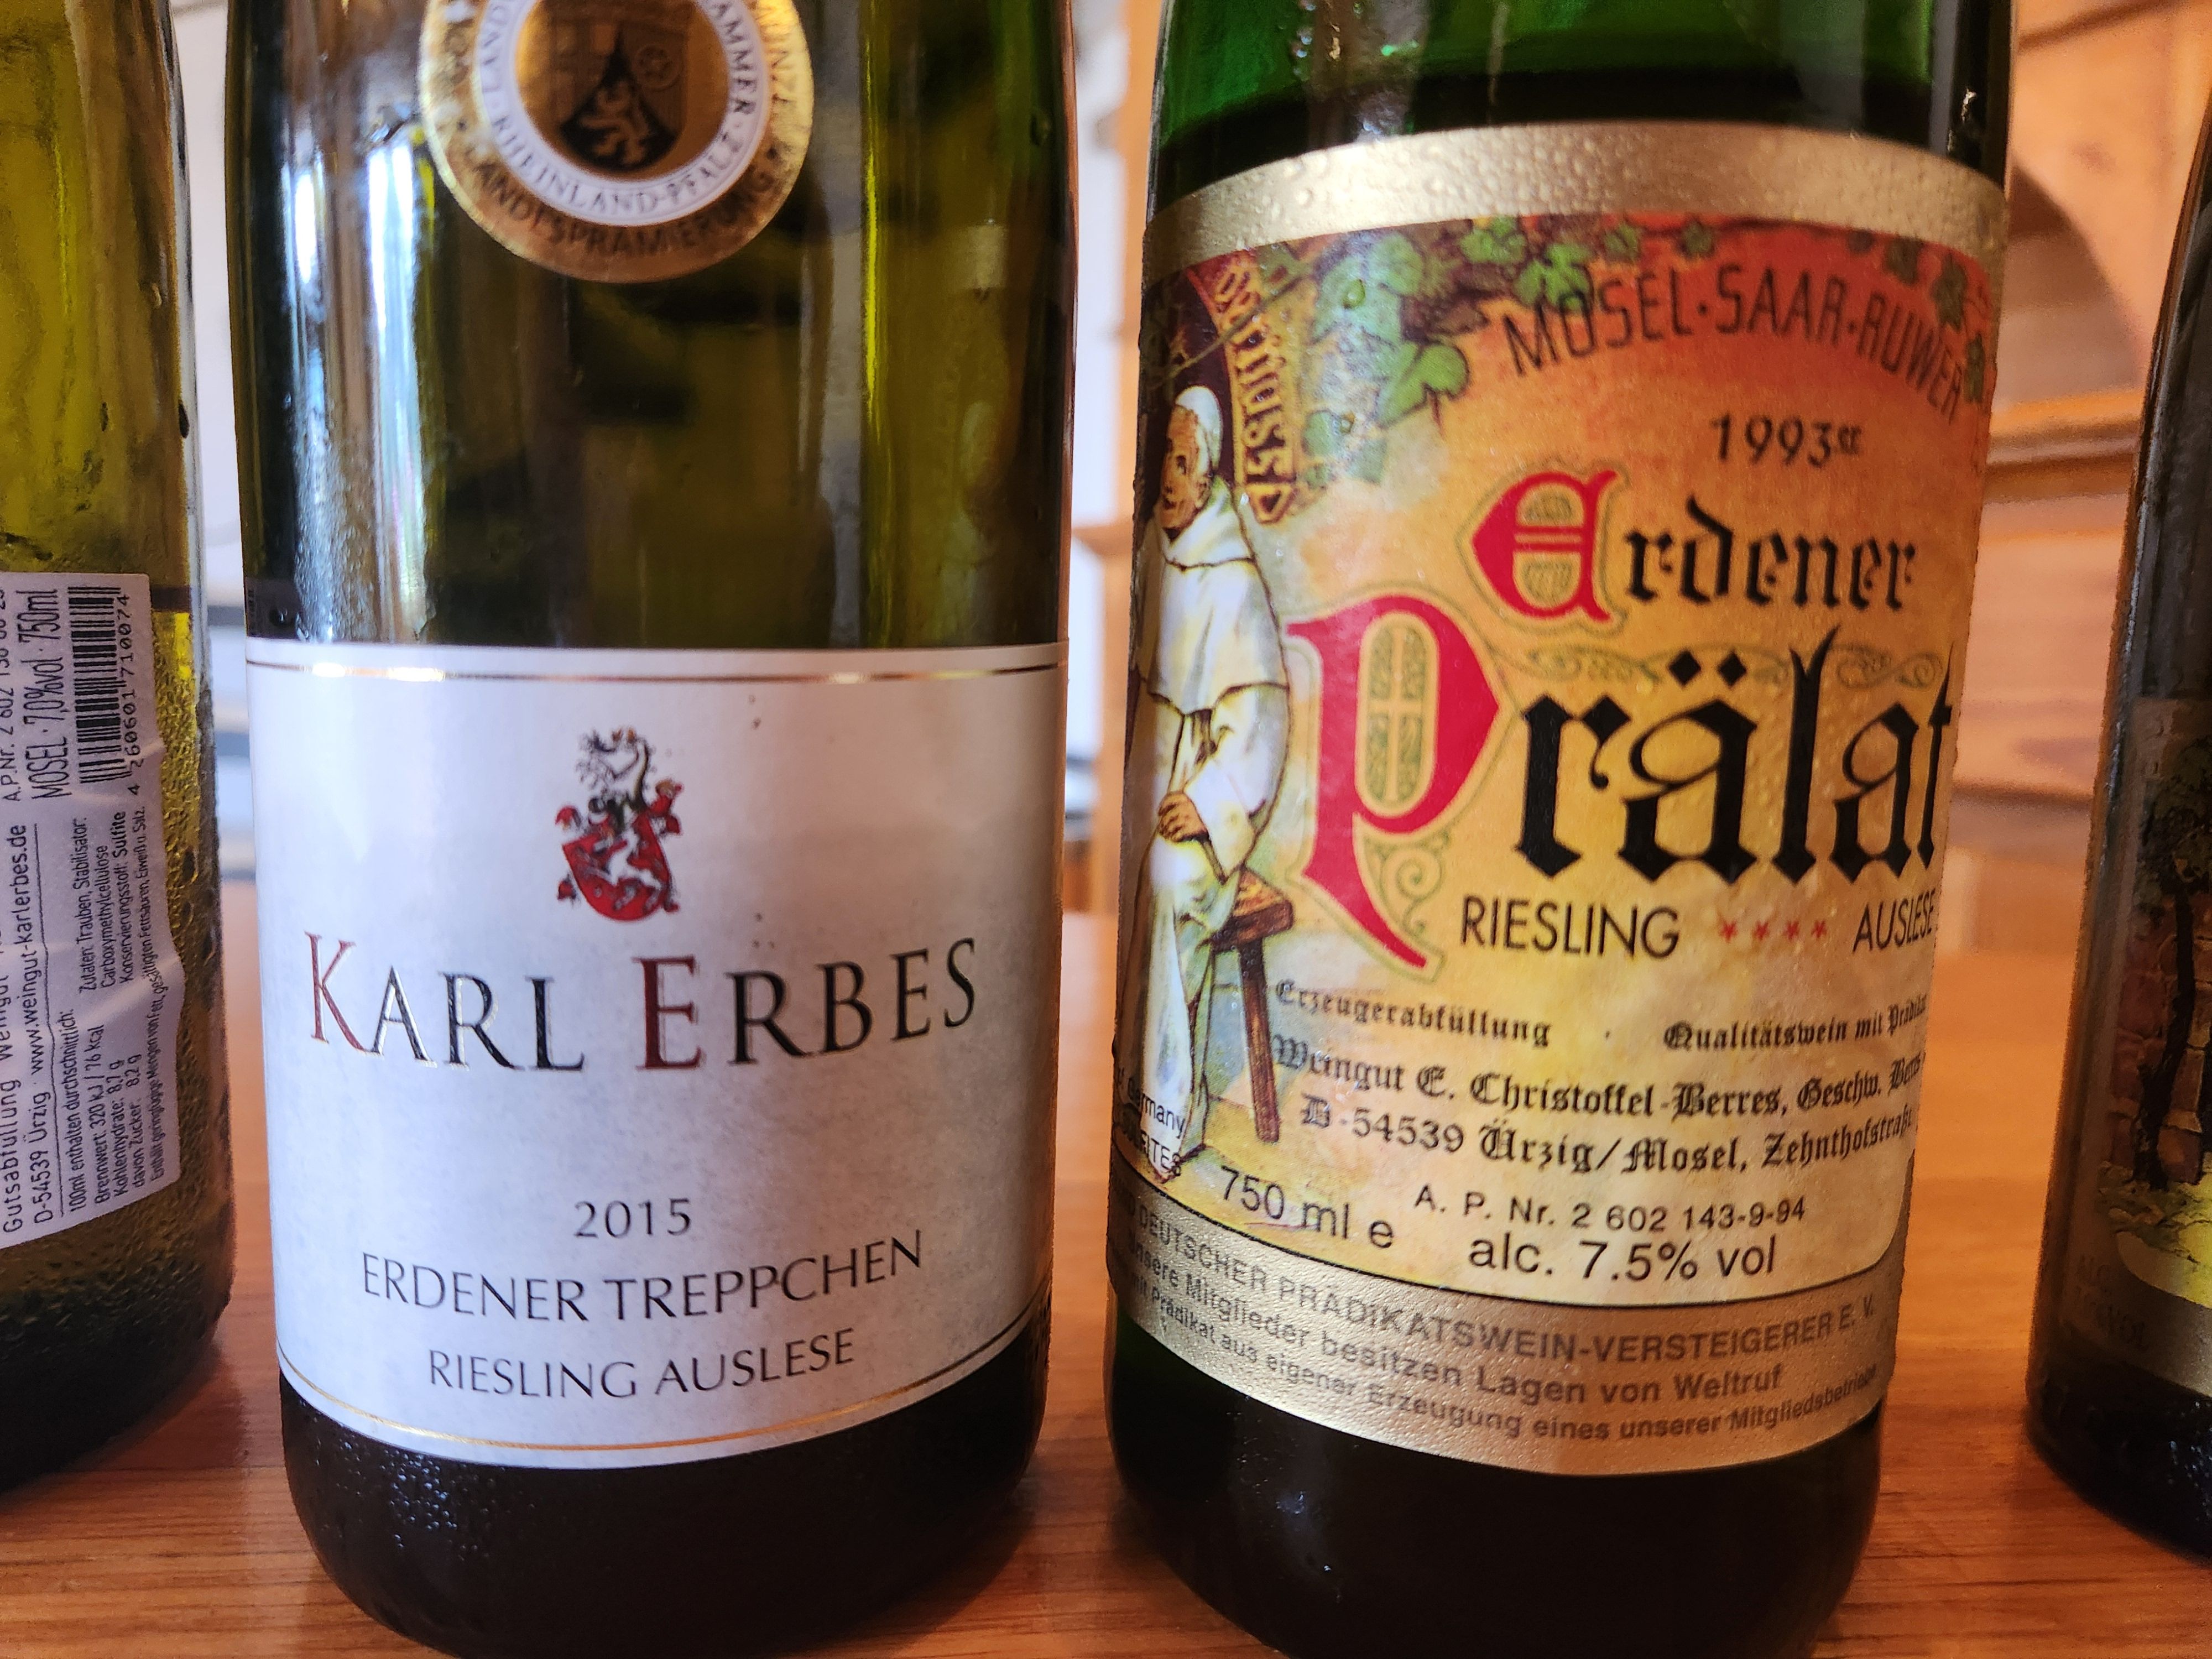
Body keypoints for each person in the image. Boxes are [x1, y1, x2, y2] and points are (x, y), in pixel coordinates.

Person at [1117, 386, 1291, 1178]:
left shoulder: (1233, 577)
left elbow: (1260, 722)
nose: (1169, 478)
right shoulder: (1156, 552)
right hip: (1149, 788)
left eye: (1184, 463)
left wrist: (1210, 802)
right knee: (1135, 871)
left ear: (1209, 471)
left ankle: (1166, 1115)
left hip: (1200, 813)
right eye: (1165, 459)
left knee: (1166, 880)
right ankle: (1139, 1094)